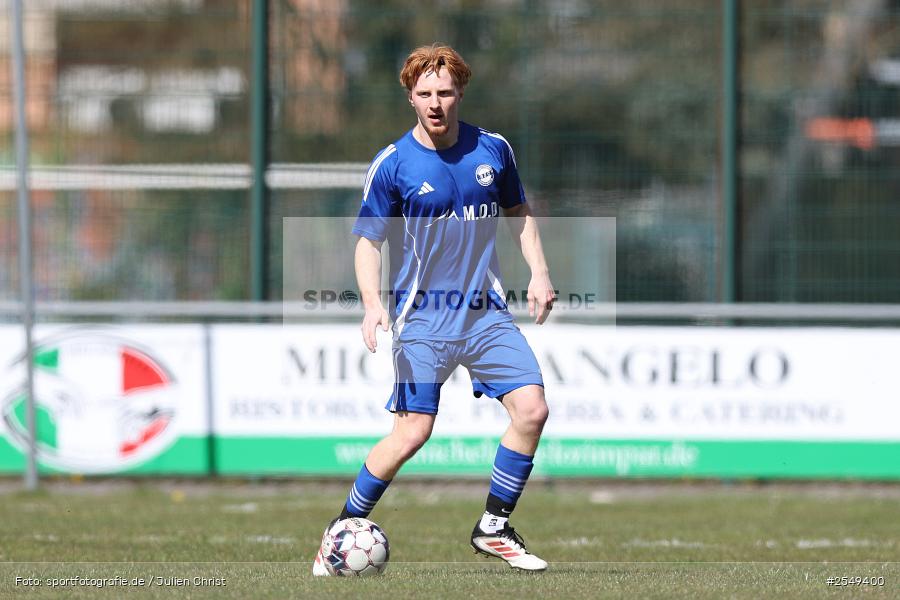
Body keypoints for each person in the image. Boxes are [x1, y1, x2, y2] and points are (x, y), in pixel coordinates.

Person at [313, 44, 555, 574]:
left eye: (445, 92)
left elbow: (519, 212)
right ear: (411, 97)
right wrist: (373, 303)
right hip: (423, 320)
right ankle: (339, 532)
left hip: (486, 314)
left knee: (532, 409)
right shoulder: (394, 163)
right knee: (413, 430)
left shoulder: (494, 150)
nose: (435, 103)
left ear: (460, 92)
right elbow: (367, 240)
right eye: (424, 94)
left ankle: (493, 527)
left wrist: (538, 271)